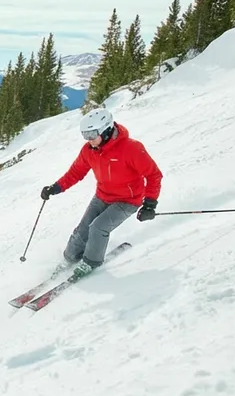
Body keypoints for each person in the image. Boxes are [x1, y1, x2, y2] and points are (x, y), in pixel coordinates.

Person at [40, 108, 163, 277]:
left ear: (105, 130)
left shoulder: (131, 148)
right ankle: (69, 259)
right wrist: (56, 187)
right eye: (85, 135)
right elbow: (76, 172)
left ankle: (91, 263)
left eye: (91, 134)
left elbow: (153, 175)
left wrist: (150, 204)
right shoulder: (89, 150)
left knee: (98, 227)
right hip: (102, 196)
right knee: (83, 230)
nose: (88, 140)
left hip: (128, 200)